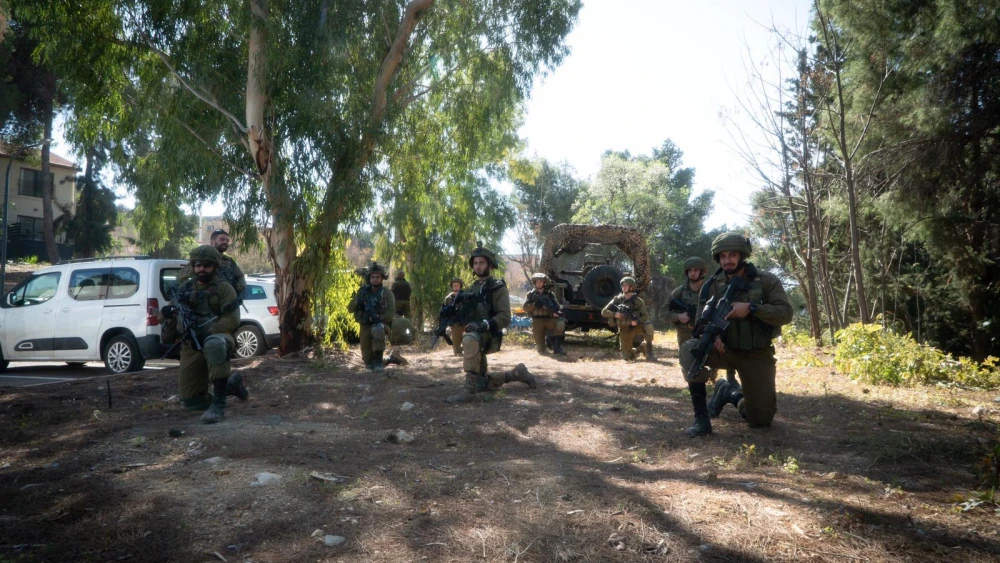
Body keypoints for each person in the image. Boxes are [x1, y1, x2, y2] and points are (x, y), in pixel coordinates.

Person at [679, 233, 793, 437]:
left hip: (756, 353)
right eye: (722, 256)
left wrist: (752, 308)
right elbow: (700, 324)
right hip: (725, 351)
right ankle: (701, 420)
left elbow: (785, 314)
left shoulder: (766, 280)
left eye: (732, 255)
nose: (727, 260)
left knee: (761, 420)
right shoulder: (711, 285)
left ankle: (729, 392)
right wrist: (713, 337)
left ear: (742, 256)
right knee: (690, 349)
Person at [160, 245, 246, 424]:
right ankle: (229, 385)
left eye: (207, 265)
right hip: (191, 345)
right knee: (192, 402)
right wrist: (167, 312)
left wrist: (208, 332)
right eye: (198, 265)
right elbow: (169, 311)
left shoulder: (224, 288)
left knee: (212, 344)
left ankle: (218, 405)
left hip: (220, 338)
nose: (202, 269)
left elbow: (232, 319)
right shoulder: (184, 288)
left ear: (214, 266)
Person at [445, 242, 536, 403]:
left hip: (490, 335)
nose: (478, 266)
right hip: (476, 335)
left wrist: (483, 325)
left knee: (469, 338)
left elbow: (505, 317)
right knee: (482, 384)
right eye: (475, 263)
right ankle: (516, 374)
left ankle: (468, 391)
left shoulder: (497, 288)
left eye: (481, 262)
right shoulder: (471, 288)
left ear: (490, 265)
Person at [348, 262, 395, 373]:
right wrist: (357, 300)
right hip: (365, 324)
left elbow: (390, 314)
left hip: (382, 324)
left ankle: (379, 361)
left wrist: (378, 318)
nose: (375, 279)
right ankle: (389, 360)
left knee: (377, 329)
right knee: (368, 362)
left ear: (382, 278)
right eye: (372, 277)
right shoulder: (362, 291)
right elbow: (350, 309)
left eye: (377, 277)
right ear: (369, 278)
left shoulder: (387, 293)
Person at [178, 229, 247, 297]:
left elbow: (240, 277)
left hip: (224, 299)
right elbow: (182, 277)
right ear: (212, 242)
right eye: (222, 239)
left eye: (227, 240)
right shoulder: (201, 257)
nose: (225, 242)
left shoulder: (229, 261)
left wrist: (235, 290)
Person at [601, 277, 650, 361]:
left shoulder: (638, 301)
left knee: (649, 327)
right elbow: (604, 312)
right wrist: (614, 314)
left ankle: (649, 350)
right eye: (623, 286)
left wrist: (637, 321)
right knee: (627, 358)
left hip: (636, 327)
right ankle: (640, 349)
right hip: (624, 329)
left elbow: (645, 316)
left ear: (631, 287)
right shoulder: (617, 299)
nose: (623, 287)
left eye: (626, 285)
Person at [523, 273, 567, 356]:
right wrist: (534, 305)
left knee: (560, 322)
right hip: (536, 321)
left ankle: (557, 347)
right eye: (537, 281)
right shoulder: (530, 294)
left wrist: (555, 313)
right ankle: (546, 343)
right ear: (534, 283)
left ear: (544, 283)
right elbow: (525, 308)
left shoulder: (550, 294)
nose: (539, 283)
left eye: (541, 281)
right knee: (541, 350)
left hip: (548, 319)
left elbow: (556, 307)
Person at [443, 277, 466, 356]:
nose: (456, 287)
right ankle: (458, 351)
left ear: (460, 286)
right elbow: (445, 311)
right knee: (456, 342)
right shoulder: (449, 298)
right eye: (454, 285)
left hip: (465, 320)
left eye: (457, 285)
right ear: (452, 286)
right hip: (455, 321)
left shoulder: (465, 296)